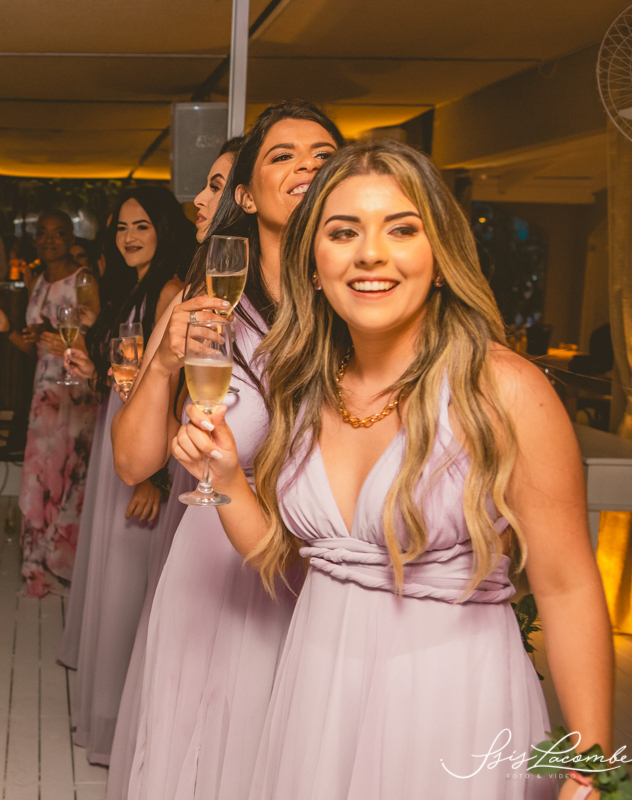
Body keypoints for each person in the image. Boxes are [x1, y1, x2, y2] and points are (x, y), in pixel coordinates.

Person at [176, 138, 613, 798]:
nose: (371, 253)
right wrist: (230, 479)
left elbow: (568, 587)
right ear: (313, 265)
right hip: (316, 696)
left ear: (439, 259)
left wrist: (591, 767)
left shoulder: (503, 389)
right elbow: (295, 563)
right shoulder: (303, 386)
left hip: (450, 704)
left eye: (401, 229)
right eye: (343, 232)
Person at [109, 104, 343, 800]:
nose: (307, 165)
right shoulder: (202, 302)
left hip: (318, 570)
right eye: (283, 155)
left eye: (323, 154)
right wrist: (162, 364)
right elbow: (133, 463)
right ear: (245, 195)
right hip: (212, 567)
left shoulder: (357, 302)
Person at [102, 136, 242, 799]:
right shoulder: (189, 299)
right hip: (208, 520)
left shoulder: (332, 303)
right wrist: (157, 369)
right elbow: (134, 458)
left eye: (216, 186)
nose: (200, 201)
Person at [56, 186, 194, 766]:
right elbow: (128, 376)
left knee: (127, 585)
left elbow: (177, 386)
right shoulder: (135, 288)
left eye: (141, 226)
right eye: (121, 228)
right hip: (120, 429)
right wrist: (92, 368)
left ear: (163, 229)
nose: (130, 237)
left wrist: (153, 478)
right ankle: (103, 711)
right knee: (109, 572)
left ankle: (118, 725)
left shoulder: (169, 291)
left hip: (145, 452)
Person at [0, 209, 98, 597]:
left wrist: (53, 332)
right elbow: (33, 349)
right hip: (44, 391)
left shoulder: (84, 279)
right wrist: (8, 329)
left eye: (58, 233)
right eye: (42, 233)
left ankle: (66, 563)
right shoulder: (37, 281)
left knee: (71, 475)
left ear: (70, 238)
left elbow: (92, 335)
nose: (49, 240)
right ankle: (38, 560)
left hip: (75, 390)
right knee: (40, 475)